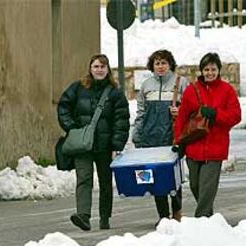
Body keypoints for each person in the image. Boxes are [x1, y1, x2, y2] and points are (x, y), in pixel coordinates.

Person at [57, 54, 130, 231]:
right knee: (84, 179)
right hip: (83, 145)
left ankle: (105, 217)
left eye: (102, 67)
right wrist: (72, 128)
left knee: (105, 182)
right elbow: (63, 106)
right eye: (96, 66)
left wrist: (116, 144)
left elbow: (121, 120)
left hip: (105, 146)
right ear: (90, 68)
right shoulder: (78, 88)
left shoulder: (115, 93)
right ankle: (83, 215)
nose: (99, 70)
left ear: (108, 70)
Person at [173, 52, 241, 217]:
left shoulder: (227, 90)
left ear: (219, 70)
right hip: (193, 146)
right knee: (196, 186)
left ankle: (201, 219)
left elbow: (235, 116)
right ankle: (208, 220)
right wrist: (178, 142)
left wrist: (216, 114)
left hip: (215, 147)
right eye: (206, 69)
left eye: (213, 69)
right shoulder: (191, 90)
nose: (210, 73)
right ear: (201, 71)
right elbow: (182, 117)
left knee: (207, 187)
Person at [132, 49, 188, 226]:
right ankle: (163, 215)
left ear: (170, 64)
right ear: (152, 66)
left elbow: (192, 109)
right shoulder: (146, 85)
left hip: (172, 137)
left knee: (174, 177)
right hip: (151, 138)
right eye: (157, 63)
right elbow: (141, 111)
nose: (161, 66)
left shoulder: (181, 83)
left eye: (164, 62)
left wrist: (180, 112)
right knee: (156, 178)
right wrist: (137, 133)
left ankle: (177, 212)